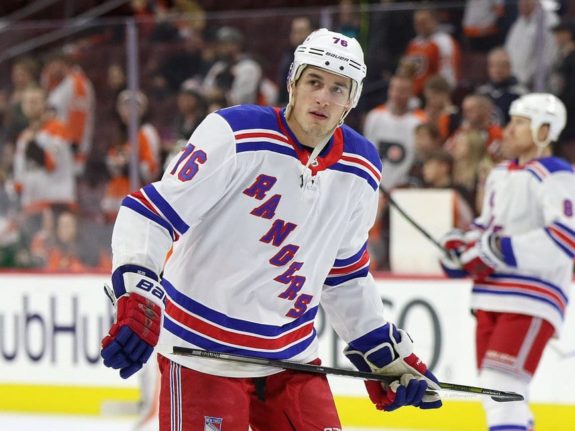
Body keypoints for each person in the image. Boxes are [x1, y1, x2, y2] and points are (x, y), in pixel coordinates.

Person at [100, 28, 442, 430]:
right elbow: (149, 213)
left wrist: (379, 348)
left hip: (291, 358)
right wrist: (139, 292)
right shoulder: (235, 133)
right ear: (293, 83)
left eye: (338, 88)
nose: (323, 97)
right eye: (314, 81)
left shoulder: (362, 166)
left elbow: (344, 273)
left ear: (351, 100)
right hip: (201, 350)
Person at [439, 93, 575, 431]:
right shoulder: (500, 173)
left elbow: (566, 239)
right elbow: (487, 228)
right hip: (490, 295)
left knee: (503, 390)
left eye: (519, 123)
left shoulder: (557, 174)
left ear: (545, 130)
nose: (508, 131)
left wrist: (494, 248)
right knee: (497, 392)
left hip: (531, 298)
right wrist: (461, 249)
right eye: (510, 121)